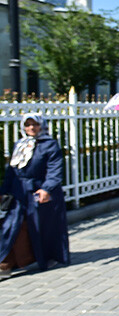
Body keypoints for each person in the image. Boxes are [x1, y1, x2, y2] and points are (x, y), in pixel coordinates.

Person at [0, 113, 69, 279]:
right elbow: (12, 171)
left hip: (39, 192)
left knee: (40, 226)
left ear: (41, 126)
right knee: (11, 223)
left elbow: (54, 170)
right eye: (28, 125)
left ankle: (42, 257)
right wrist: (3, 191)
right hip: (18, 191)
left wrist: (47, 189)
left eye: (35, 125)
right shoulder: (20, 144)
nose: (31, 128)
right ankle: (7, 262)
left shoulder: (50, 145)